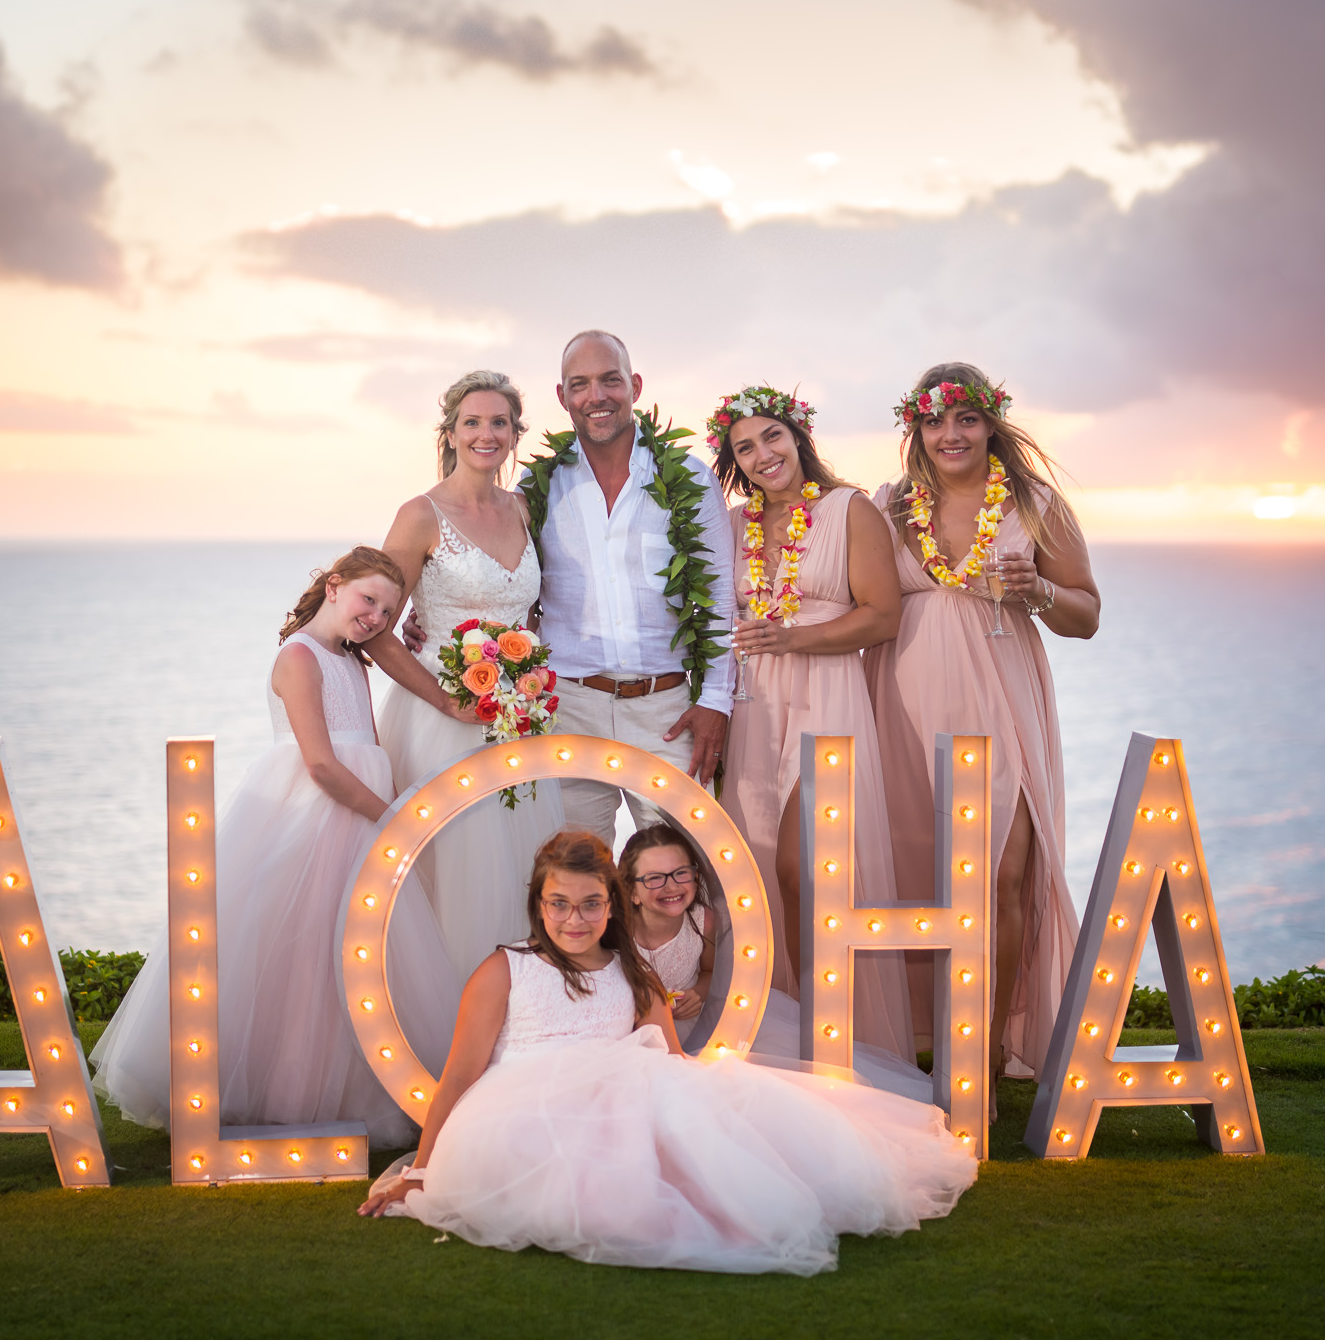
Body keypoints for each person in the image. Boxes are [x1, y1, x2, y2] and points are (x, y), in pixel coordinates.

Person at [357, 831, 974, 1276]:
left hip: (621, 1099)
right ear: (537, 905)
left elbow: (673, 1066)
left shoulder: (634, 973)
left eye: (591, 904)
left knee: (710, 1163)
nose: (575, 919)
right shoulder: (505, 970)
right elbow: (461, 1074)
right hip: (522, 1111)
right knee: (595, 1200)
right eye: (559, 904)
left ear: (613, 904)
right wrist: (419, 1172)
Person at [89, 548, 461, 1149]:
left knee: (351, 959)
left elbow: (364, 746)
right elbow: (319, 764)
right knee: (300, 953)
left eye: (389, 611)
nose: (376, 617)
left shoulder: (353, 661)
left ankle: (352, 1090)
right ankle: (281, 1094)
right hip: (315, 818)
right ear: (334, 587)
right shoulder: (299, 659)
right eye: (369, 600)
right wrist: (392, 818)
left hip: (359, 816)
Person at [866, 364, 1099, 1080]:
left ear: (991, 423)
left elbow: (1086, 616)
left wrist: (1041, 589)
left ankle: (988, 1055)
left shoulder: (1033, 504)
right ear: (917, 429)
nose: (950, 434)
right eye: (935, 421)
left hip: (1000, 702)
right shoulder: (890, 506)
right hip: (902, 705)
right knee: (913, 876)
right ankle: (913, 1040)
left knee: (1002, 874)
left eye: (965, 418)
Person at [709, 388, 905, 1039]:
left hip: (828, 694)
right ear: (734, 461)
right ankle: (775, 1023)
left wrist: (791, 637)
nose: (763, 454)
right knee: (755, 870)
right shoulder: (733, 525)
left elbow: (882, 616)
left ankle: (826, 1028)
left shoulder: (849, 511)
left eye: (772, 436)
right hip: (755, 703)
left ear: (798, 436)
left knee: (805, 868)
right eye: (745, 447)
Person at [370, 370, 568, 981]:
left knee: (524, 869)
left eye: (499, 423)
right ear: (451, 433)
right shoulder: (420, 515)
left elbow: (528, 608)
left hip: (519, 716)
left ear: (515, 434)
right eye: (473, 423)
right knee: (457, 874)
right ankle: (446, 1023)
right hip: (442, 720)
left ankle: (525, 1016)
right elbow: (376, 627)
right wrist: (444, 699)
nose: (487, 434)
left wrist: (525, 664)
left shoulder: (522, 508)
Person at [519, 330, 738, 837]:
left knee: (684, 870)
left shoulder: (689, 477)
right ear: (562, 397)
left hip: (667, 711)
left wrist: (715, 702)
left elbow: (721, 598)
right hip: (568, 709)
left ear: (634, 386)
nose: (596, 397)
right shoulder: (536, 488)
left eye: (610, 380)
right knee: (574, 878)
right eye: (580, 384)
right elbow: (504, 580)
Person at [617, 823, 716, 1033]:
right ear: (631, 892)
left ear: (696, 878)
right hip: (631, 1027)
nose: (671, 886)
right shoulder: (617, 930)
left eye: (680, 873)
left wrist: (697, 993)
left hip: (686, 1026)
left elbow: (710, 971)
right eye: (654, 878)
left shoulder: (703, 921)